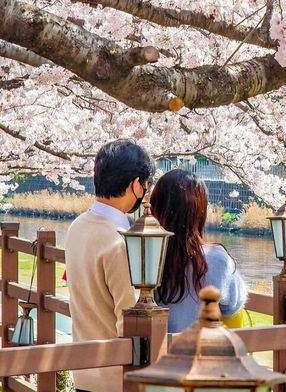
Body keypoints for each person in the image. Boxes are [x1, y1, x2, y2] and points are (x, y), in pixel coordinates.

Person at [65, 139, 153, 392]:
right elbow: (130, 317)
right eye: (144, 185)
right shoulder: (120, 242)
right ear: (136, 184)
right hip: (115, 378)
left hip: (83, 369)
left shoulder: (77, 227)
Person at [151, 169, 247, 333]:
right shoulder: (216, 259)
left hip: (153, 352)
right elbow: (234, 305)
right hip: (199, 351)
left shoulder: (143, 254)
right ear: (199, 212)